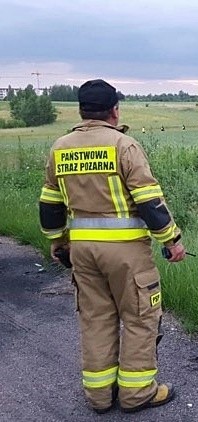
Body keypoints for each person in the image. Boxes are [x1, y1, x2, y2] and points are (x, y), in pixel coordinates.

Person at [38, 79, 187, 414]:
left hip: (83, 251)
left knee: (95, 319)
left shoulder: (60, 147)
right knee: (139, 317)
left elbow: (49, 203)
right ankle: (137, 395)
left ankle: (99, 397)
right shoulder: (124, 145)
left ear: (81, 110)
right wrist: (172, 241)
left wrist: (57, 241)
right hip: (126, 255)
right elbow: (149, 200)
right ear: (114, 110)